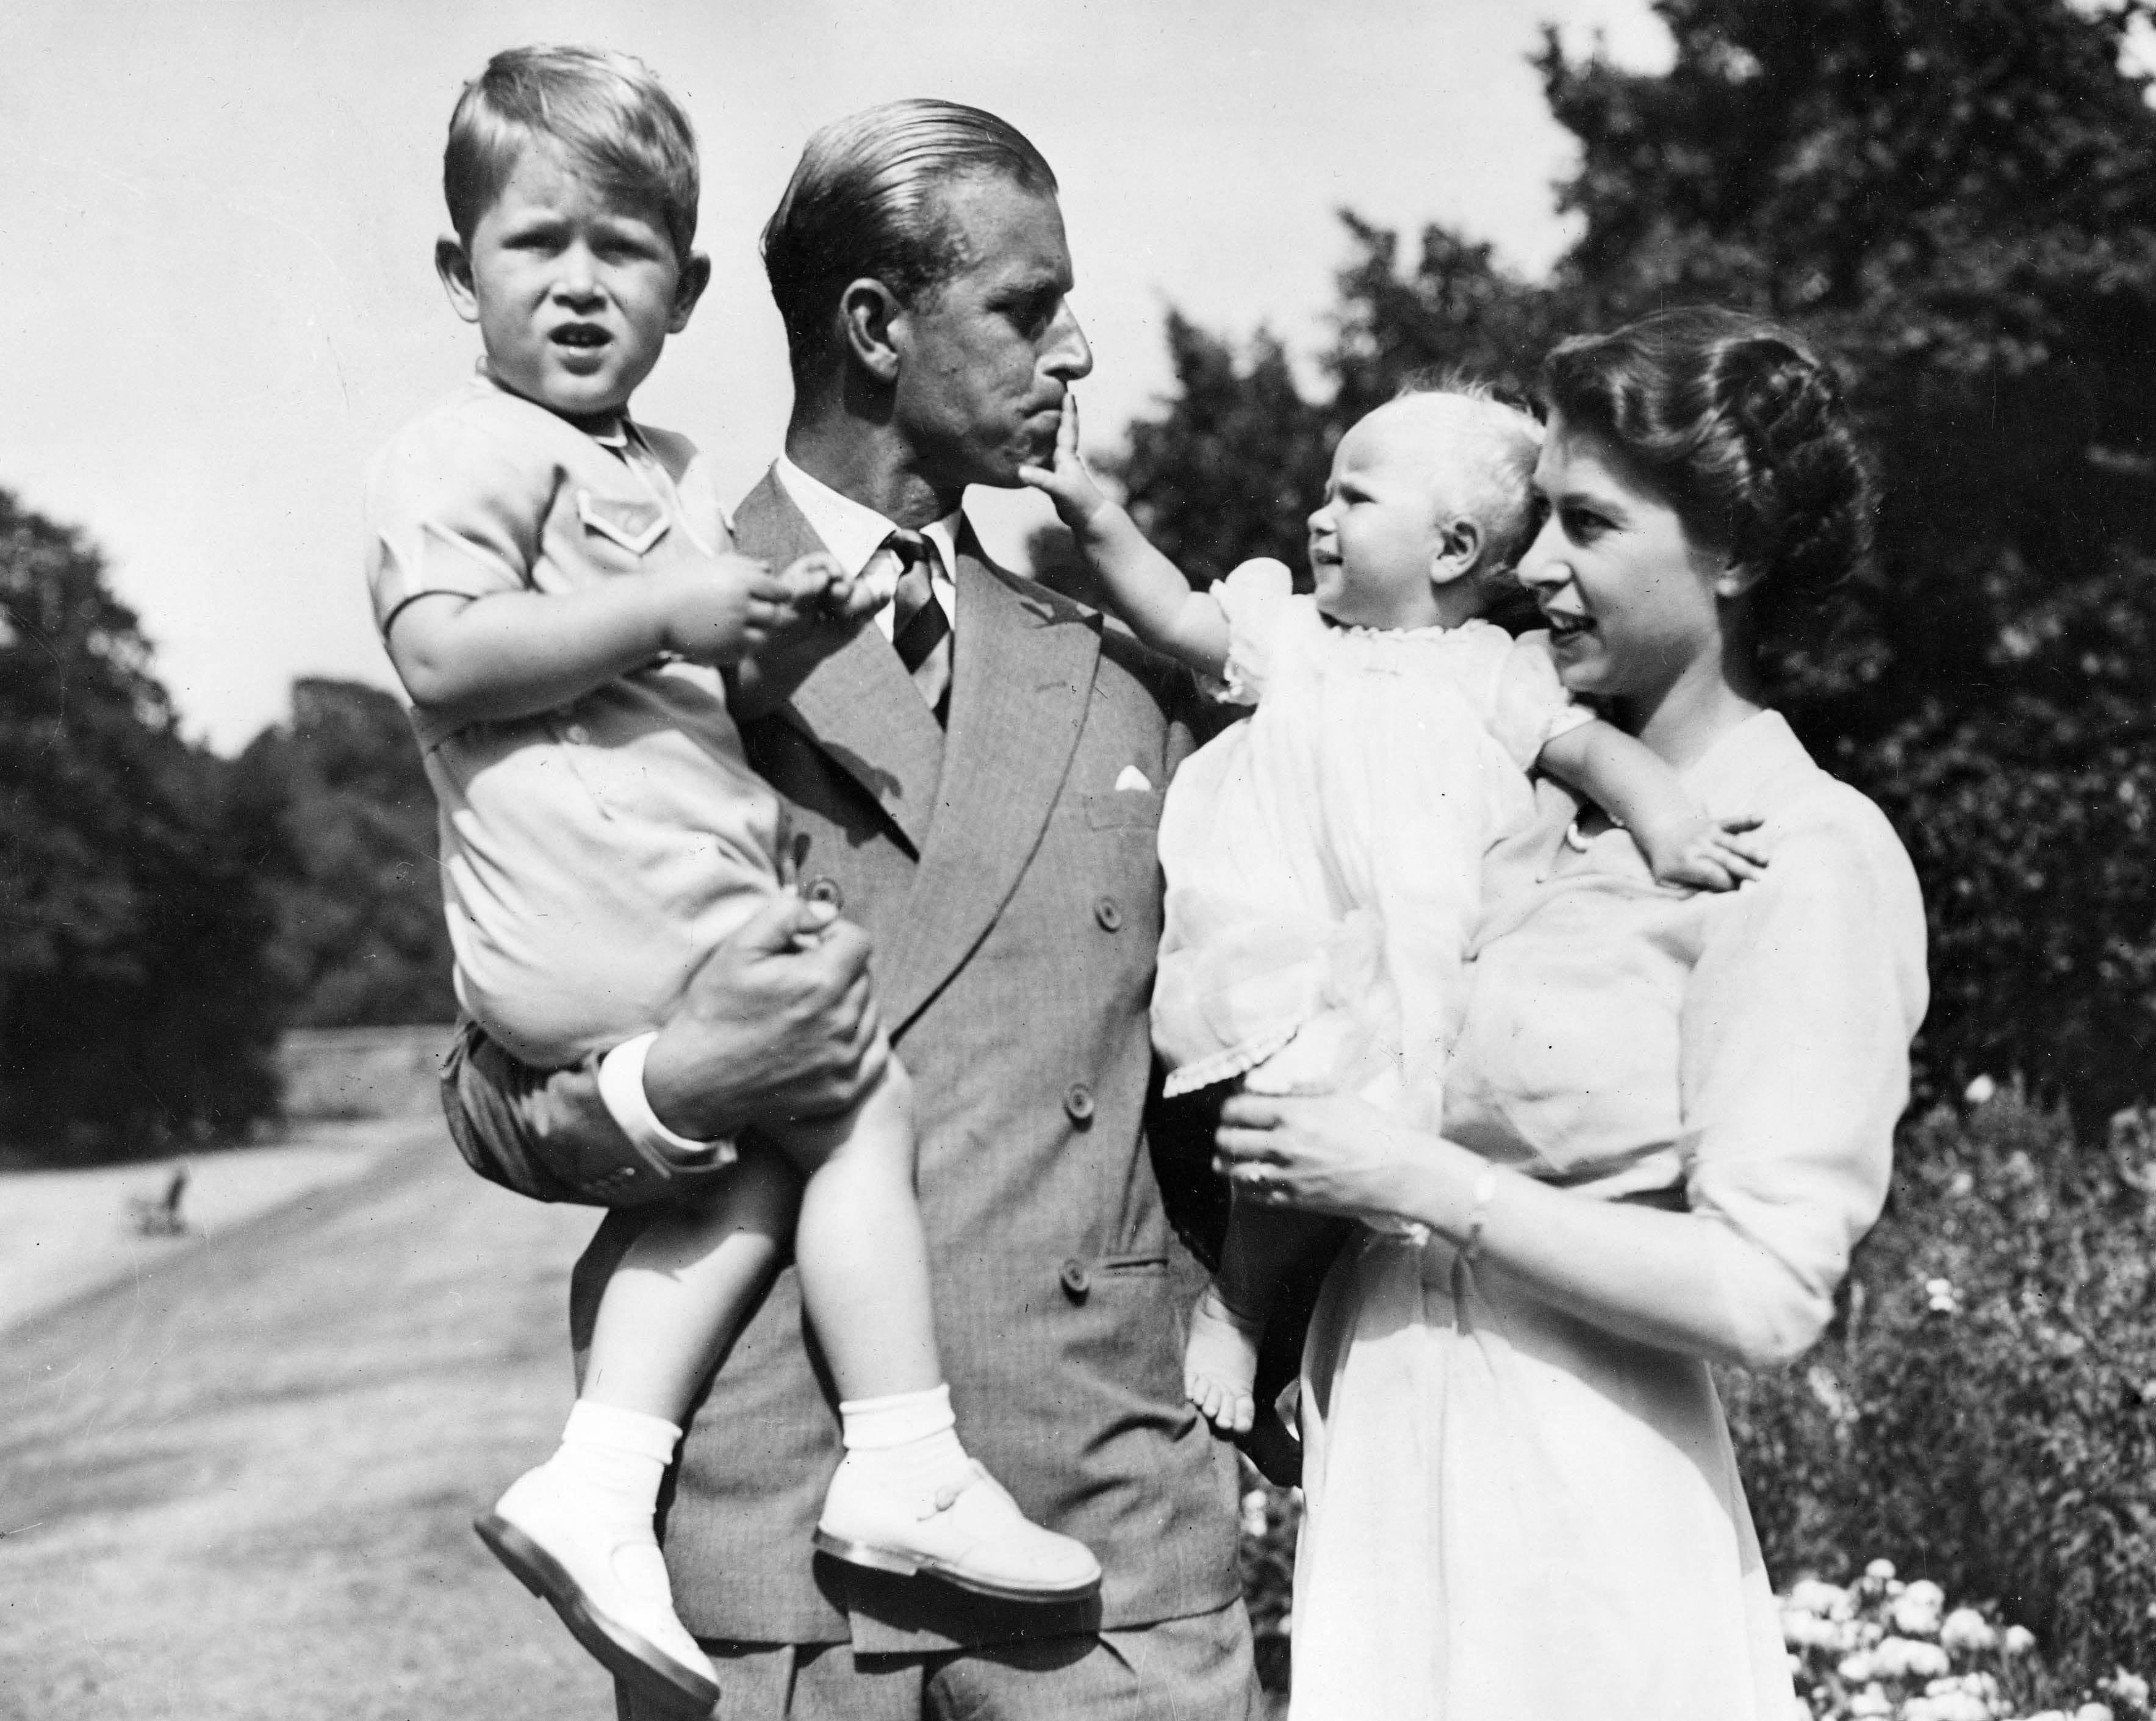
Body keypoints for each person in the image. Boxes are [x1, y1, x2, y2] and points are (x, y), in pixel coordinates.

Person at [438, 96, 1262, 1720]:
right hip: (774, 1556)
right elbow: (484, 1089)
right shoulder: (621, 623)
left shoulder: (1114, 675)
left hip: (1101, 1549)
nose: (1077, 350)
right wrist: (669, 1087)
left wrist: (1240, 1320)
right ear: (873, 328)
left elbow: (1236, 1055)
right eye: (1028, 304)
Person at [1212, 306, 1929, 1720]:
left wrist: (1419, 1180)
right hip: (1390, 1490)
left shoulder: (1805, 850)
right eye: (1537, 518)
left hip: (1581, 1531)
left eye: (1589, 527)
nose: (1535, 566)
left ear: (1734, 552)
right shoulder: (1504, 805)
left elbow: (1764, 1289)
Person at [1021, 384, 1765, 1441]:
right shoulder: (1293, 637)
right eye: (1325, 493)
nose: (1319, 517)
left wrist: (1668, 820)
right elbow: (1178, 614)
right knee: (1295, 1118)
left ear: (1453, 547)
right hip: (1286, 940)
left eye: (1354, 497)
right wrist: (1091, 511)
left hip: (1415, 963)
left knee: (1360, 1165)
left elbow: (1591, 751)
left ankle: (1282, 1360)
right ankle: (1233, 1306)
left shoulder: (1493, 673)